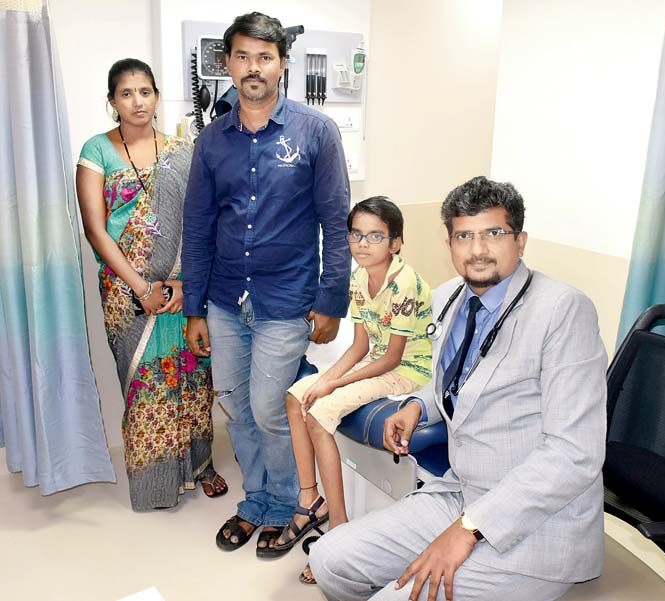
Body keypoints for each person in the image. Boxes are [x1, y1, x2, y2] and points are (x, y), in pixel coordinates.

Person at [310, 176, 608, 601]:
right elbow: (460, 380)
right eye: (464, 235)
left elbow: (574, 453)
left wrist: (469, 528)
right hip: (458, 492)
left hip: (538, 523)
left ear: (520, 241)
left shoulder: (562, 311)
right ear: (449, 243)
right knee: (329, 559)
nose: (478, 249)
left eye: (494, 233)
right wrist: (417, 405)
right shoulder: (449, 297)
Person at [181, 12, 350, 556]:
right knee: (234, 400)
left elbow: (335, 220)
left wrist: (331, 301)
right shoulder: (211, 142)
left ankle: (288, 505)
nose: (253, 68)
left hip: (286, 299)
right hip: (227, 298)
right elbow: (199, 226)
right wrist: (195, 309)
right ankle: (256, 499)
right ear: (226, 63)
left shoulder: (315, 132)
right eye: (243, 57)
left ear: (282, 63)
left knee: (269, 406)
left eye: (265, 57)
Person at [76, 58, 227, 511]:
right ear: (112, 102)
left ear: (157, 97)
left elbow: (201, 222)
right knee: (143, 382)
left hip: (181, 288)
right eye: (126, 94)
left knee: (194, 376)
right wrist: (141, 287)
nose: (137, 101)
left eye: (145, 91)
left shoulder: (183, 151)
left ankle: (201, 465)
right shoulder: (96, 150)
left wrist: (185, 285)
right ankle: (155, 481)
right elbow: (95, 230)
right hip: (128, 292)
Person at [274, 197, 432, 584]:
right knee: (296, 398)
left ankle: (339, 531)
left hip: (408, 372)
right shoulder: (359, 279)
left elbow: (393, 358)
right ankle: (310, 498)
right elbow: (361, 347)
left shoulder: (405, 283)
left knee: (320, 413)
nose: (362, 243)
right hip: (374, 361)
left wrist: (334, 383)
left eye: (375, 236)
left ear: (395, 243)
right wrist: (328, 378)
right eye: (356, 234)